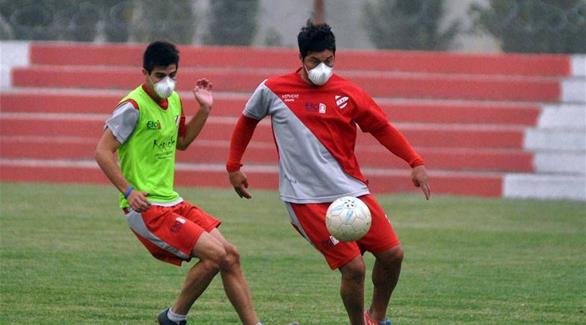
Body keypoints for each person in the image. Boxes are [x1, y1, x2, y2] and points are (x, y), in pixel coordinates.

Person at [226, 22, 431, 325]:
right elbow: (247, 121)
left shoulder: (349, 93)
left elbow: (381, 128)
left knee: (393, 255)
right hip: (305, 199)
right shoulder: (272, 89)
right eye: (314, 61)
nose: (322, 67)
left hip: (352, 191)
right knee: (354, 268)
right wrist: (234, 167)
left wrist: (415, 161)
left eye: (328, 60)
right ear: (301, 58)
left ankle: (377, 317)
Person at [95, 41, 262, 325]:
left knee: (230, 255)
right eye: (160, 76)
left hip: (172, 201)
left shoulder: (174, 100)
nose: (167, 82)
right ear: (145, 73)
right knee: (215, 256)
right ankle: (174, 318)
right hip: (146, 207)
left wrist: (204, 111)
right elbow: (102, 151)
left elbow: (182, 141)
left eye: (172, 75)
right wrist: (129, 190)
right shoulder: (132, 106)